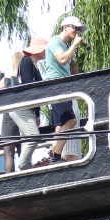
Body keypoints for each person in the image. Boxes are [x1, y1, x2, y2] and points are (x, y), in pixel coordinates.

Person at [44, 16, 86, 161]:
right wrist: (75, 45)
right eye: (74, 28)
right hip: (56, 86)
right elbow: (62, 59)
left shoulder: (65, 45)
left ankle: (54, 154)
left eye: (78, 29)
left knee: (60, 125)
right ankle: (56, 155)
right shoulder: (55, 41)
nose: (77, 31)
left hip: (63, 86)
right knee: (71, 121)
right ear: (65, 27)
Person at [6, 37, 48, 171]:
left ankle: (27, 168)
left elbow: (36, 92)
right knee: (34, 136)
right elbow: (31, 87)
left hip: (26, 107)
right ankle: (22, 165)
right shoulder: (26, 61)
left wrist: (37, 114)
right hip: (21, 107)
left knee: (28, 138)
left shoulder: (32, 64)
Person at [0, 50, 24, 173]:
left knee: (8, 153)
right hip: (24, 115)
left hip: (9, 117)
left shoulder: (7, 79)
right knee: (24, 148)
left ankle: (10, 179)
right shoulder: (25, 77)